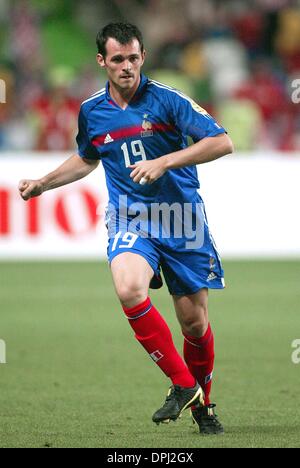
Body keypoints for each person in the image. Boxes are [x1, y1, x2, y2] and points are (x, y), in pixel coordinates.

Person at [19, 23, 233, 435]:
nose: (127, 67)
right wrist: (44, 182)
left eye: (134, 58)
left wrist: (165, 161)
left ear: (143, 57)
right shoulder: (92, 110)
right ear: (102, 61)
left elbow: (222, 142)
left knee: (195, 324)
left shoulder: (169, 100)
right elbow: (87, 157)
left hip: (181, 219)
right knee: (128, 287)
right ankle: (183, 384)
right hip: (130, 217)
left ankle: (203, 406)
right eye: (118, 59)